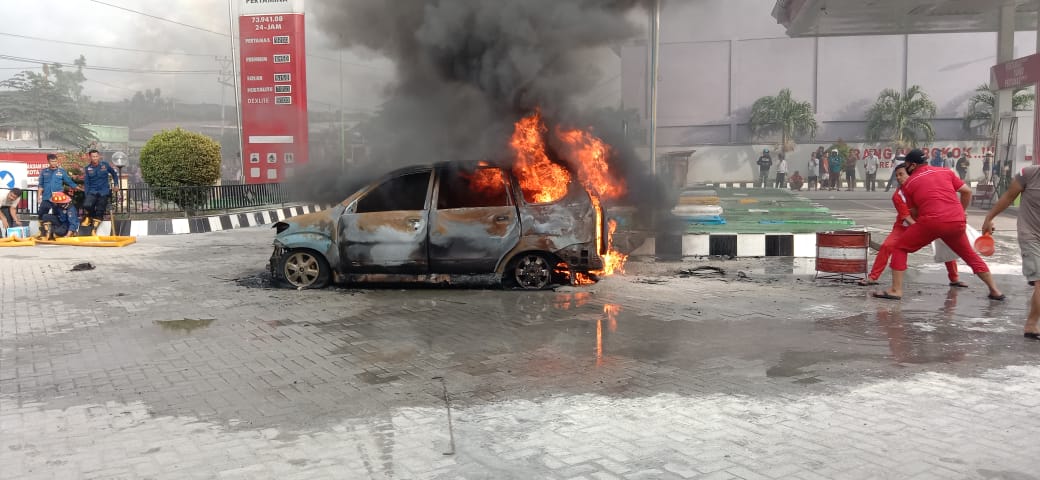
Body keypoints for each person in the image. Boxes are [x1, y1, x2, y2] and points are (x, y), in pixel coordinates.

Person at [873, 149, 1004, 301]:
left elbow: (915, 212)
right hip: (956, 222)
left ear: (912, 165)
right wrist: (961, 211)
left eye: (906, 165)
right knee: (970, 255)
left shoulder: (910, 183)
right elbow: (967, 192)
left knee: (900, 248)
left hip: (931, 222)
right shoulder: (945, 172)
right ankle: (995, 290)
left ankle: (896, 290)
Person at [858, 164, 965, 287]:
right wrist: (923, 230)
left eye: (901, 174)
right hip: (904, 227)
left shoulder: (924, 188)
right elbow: (907, 218)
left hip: (929, 224)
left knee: (945, 245)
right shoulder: (898, 196)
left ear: (911, 175)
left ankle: (954, 278)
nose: (898, 178)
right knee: (887, 246)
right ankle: (873, 277)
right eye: (897, 175)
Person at [982, 165, 1040, 340]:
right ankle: (1031, 325)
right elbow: (1008, 197)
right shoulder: (1029, 174)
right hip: (1031, 236)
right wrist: (989, 218)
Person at [81, 149, 120, 235]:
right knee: (87, 205)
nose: (95, 158)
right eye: (93, 156)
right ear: (90, 157)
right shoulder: (88, 168)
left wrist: (116, 185)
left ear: (99, 156)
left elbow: (114, 174)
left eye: (96, 156)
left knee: (100, 210)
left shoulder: (105, 165)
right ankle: (90, 216)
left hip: (104, 191)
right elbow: (86, 183)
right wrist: (87, 195)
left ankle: (94, 229)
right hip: (92, 191)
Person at [37, 154, 78, 219]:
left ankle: (55, 225)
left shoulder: (62, 171)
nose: (54, 163)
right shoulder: (44, 171)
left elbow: (69, 182)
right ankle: (42, 224)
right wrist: (38, 197)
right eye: (52, 161)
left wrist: (80, 188)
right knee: (41, 214)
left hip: (58, 198)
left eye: (55, 161)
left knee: (58, 215)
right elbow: (40, 185)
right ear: (48, 161)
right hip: (47, 197)